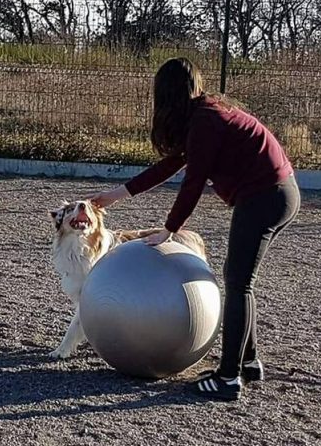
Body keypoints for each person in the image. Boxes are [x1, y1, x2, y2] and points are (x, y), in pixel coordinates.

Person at [91, 57, 300, 401]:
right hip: (276, 193)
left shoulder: (206, 121)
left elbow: (193, 182)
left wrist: (170, 229)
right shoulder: (202, 117)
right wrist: (117, 194)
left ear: (166, 94)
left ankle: (229, 378)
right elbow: (171, 165)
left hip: (266, 196)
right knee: (241, 282)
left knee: (238, 282)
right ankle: (248, 363)